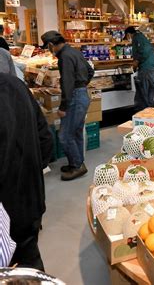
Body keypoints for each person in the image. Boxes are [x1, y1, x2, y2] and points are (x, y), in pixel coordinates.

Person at [0, 73, 53, 270]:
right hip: (30, 201)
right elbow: (46, 140)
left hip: (5, 213)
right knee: (30, 262)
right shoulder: (15, 84)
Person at [41, 30, 93, 181]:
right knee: (75, 132)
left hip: (74, 98)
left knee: (64, 135)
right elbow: (90, 71)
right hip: (82, 94)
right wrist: (82, 84)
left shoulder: (64, 56)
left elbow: (67, 83)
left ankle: (77, 166)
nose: (49, 50)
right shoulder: (74, 51)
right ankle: (76, 162)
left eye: (48, 47)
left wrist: (63, 107)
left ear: (51, 45)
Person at [124, 26, 154, 111]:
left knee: (143, 96)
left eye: (127, 37)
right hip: (152, 70)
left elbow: (142, 51)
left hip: (145, 70)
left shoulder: (137, 38)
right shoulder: (143, 37)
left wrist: (136, 62)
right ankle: (150, 115)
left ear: (128, 34)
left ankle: (143, 116)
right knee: (149, 95)